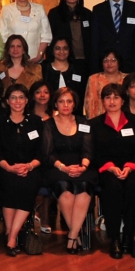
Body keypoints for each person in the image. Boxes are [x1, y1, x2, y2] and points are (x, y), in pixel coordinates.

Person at [92, 83, 135, 258]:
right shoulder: (95, 124)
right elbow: (93, 151)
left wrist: (129, 167)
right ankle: (115, 237)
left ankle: (129, 236)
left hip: (132, 168)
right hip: (108, 169)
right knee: (113, 189)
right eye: (108, 97)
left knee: (134, 187)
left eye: (116, 97)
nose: (112, 101)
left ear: (123, 100)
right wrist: (110, 167)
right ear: (102, 101)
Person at [0, 84, 44, 256]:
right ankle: (12, 232)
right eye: (13, 97)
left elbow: (41, 152)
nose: (17, 101)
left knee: (28, 185)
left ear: (27, 100)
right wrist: (10, 168)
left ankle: (11, 235)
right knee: (9, 183)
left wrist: (29, 166)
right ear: (7, 101)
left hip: (31, 167)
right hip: (6, 167)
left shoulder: (36, 121)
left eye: (21, 97)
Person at [41, 87, 94, 253]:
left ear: (74, 103)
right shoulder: (48, 124)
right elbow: (47, 154)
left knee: (84, 187)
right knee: (65, 189)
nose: (65, 105)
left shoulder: (84, 122)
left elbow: (88, 150)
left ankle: (72, 235)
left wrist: (83, 166)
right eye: (61, 101)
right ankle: (75, 234)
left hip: (81, 166)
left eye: (69, 101)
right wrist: (64, 167)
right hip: (57, 167)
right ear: (55, 103)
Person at [90, 0, 135, 71]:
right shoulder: (98, 10)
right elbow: (95, 41)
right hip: (106, 65)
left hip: (129, 64)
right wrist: (95, 67)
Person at [0, 0, 52, 64]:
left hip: (35, 61)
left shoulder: (39, 9)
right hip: (13, 61)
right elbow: (3, 37)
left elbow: (46, 36)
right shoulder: (7, 10)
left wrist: (39, 56)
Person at [47, 0, 92, 65]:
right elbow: (50, 38)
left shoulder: (87, 14)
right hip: (63, 60)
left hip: (85, 60)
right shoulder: (55, 14)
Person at [84, 50, 124, 119]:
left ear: (118, 62)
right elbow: (90, 104)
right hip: (99, 121)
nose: (109, 63)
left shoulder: (127, 79)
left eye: (113, 60)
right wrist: (93, 123)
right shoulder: (93, 79)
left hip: (123, 120)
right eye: (105, 61)